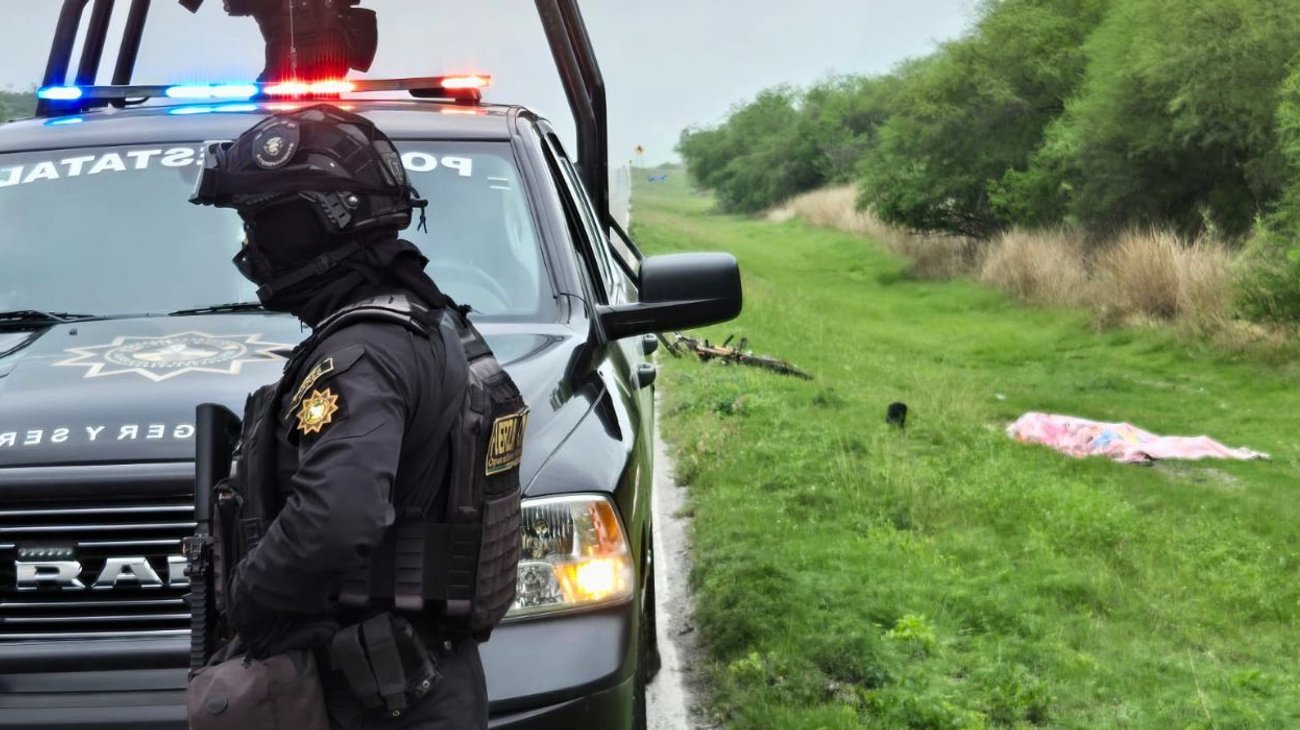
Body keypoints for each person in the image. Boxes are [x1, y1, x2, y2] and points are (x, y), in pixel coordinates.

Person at [190, 104, 489, 729]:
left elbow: (336, 517)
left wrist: (245, 599)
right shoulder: (423, 320)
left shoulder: (360, 352)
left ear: (321, 222)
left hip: (373, 694)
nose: (251, 249)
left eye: (263, 222)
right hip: (412, 678)